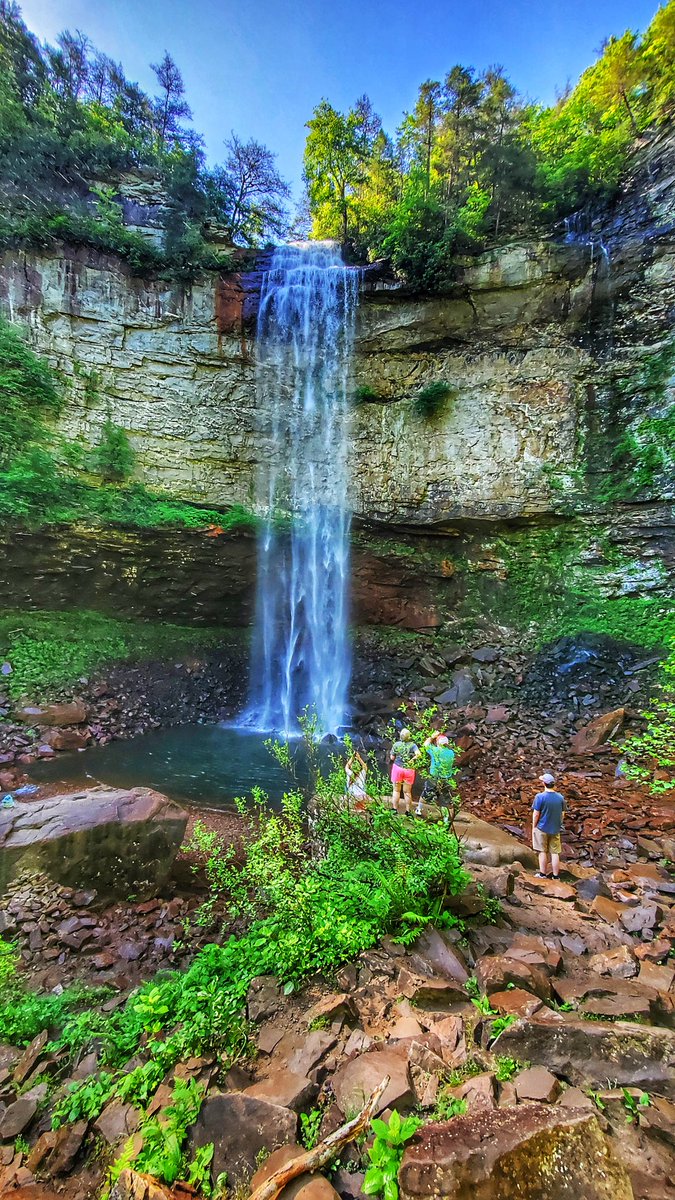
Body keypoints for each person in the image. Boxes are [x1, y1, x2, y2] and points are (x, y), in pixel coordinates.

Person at [532, 772, 566, 879]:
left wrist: (534, 826)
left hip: (542, 828)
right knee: (555, 853)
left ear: (544, 783)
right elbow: (562, 814)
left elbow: (536, 814)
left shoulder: (540, 797)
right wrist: (559, 824)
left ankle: (542, 874)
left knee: (542, 851)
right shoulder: (560, 797)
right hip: (555, 828)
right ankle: (556, 876)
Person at [418, 732, 456, 821]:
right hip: (446, 779)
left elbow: (425, 745)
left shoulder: (435, 751)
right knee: (444, 798)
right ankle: (446, 818)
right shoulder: (451, 753)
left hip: (434, 778)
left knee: (426, 794)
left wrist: (432, 737)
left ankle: (419, 809)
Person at [389, 728, 420, 815]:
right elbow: (418, 754)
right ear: (409, 736)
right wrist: (412, 760)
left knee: (396, 790)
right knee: (407, 792)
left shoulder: (396, 744)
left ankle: (394, 809)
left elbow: (392, 758)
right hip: (409, 770)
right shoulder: (413, 745)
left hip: (398, 768)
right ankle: (408, 811)